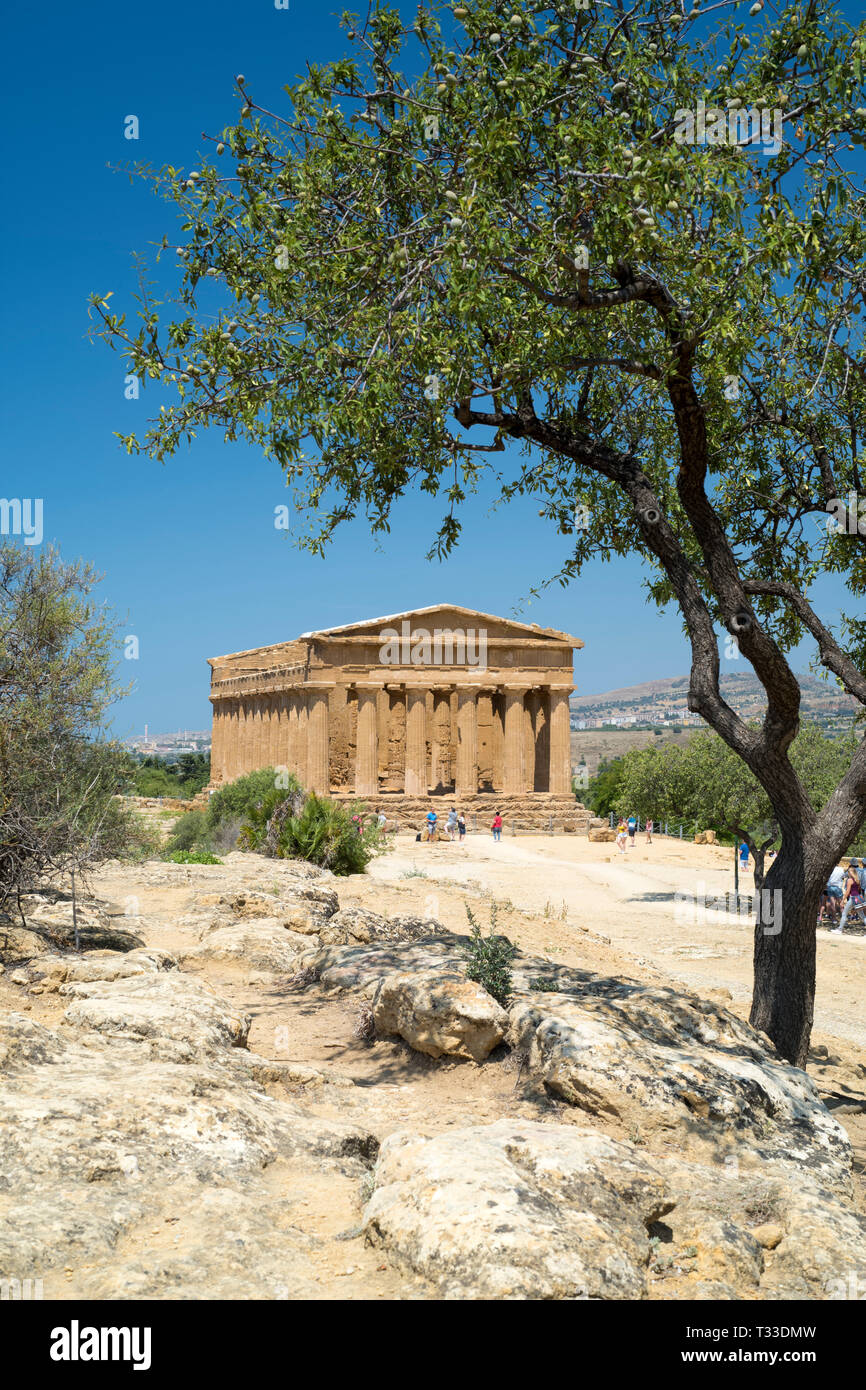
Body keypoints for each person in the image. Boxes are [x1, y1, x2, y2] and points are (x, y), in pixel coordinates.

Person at [836, 863, 865, 932]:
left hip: (852, 898)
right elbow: (859, 889)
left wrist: (843, 900)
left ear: (850, 873)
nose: (848, 873)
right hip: (858, 897)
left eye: (848, 872)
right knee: (862, 916)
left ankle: (840, 929)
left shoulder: (849, 880)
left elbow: (847, 892)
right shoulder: (857, 880)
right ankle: (840, 929)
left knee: (844, 913)